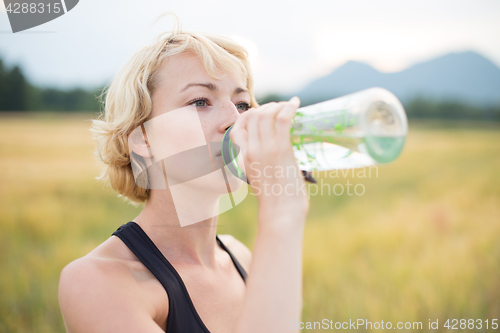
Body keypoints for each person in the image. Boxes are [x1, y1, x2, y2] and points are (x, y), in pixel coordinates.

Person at [58, 19, 309, 333]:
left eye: (242, 103)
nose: (235, 120)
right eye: (200, 101)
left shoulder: (239, 257)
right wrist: (281, 213)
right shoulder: (95, 282)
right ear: (144, 138)